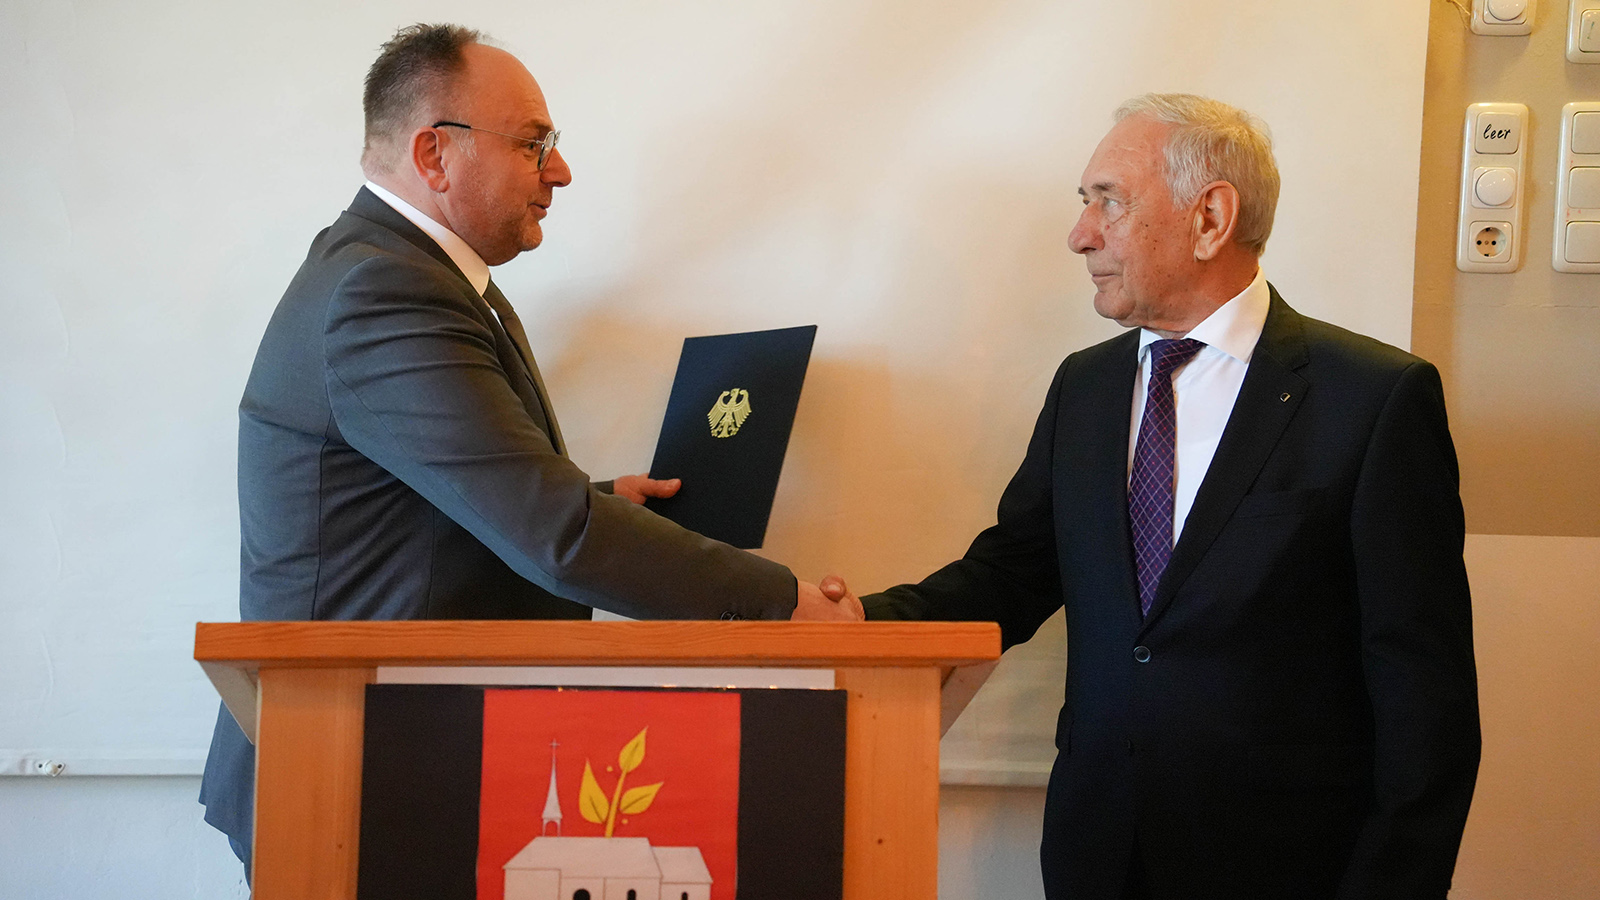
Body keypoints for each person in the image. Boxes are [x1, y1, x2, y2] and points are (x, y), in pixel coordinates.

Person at [199, 23, 861, 875]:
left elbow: (452, 509)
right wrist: (782, 605)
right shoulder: (385, 290)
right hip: (348, 776)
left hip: (384, 759)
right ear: (435, 154)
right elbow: (557, 533)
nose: (561, 171)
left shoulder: (414, 275)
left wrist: (601, 500)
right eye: (533, 144)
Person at [857, 94, 1480, 898]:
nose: (1080, 234)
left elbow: (1424, 696)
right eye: (1084, 203)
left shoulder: (1373, 399)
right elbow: (1010, 575)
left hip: (1288, 867)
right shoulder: (1086, 388)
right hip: (1098, 855)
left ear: (1209, 218)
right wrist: (857, 624)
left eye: (1108, 201)